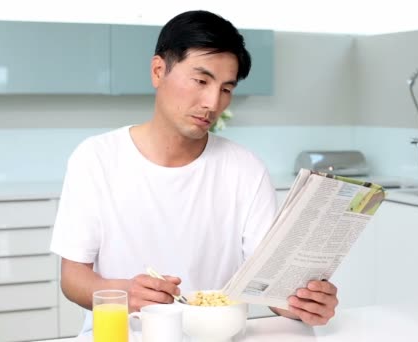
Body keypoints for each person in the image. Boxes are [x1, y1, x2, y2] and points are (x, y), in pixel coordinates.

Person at [50, 9, 338, 334]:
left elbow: (268, 288)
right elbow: (73, 279)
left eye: (226, 89)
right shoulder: (96, 159)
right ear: (158, 71)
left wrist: (305, 305)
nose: (213, 102)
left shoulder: (246, 169)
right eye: (201, 80)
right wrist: (124, 293)